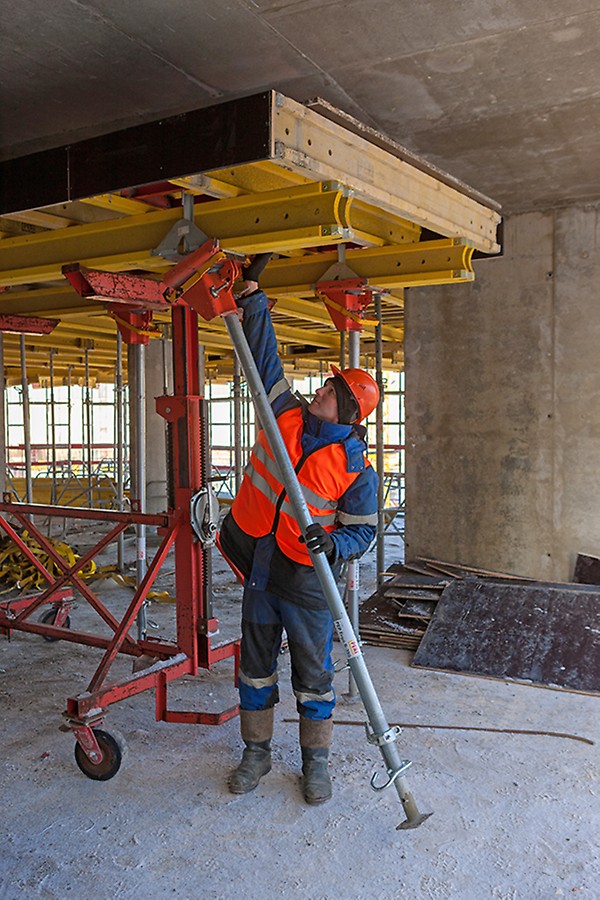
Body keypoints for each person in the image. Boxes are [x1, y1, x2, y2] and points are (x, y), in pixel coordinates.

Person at [219, 255, 380, 804]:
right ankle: (256, 755)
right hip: (263, 567)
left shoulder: (358, 469)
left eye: (332, 389)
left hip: (311, 583)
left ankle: (316, 766)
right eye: (327, 384)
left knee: (314, 677)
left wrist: (333, 543)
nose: (321, 389)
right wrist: (254, 295)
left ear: (348, 410)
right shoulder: (283, 412)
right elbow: (262, 358)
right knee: (255, 668)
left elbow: (363, 534)